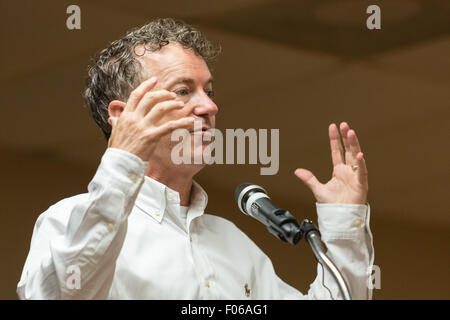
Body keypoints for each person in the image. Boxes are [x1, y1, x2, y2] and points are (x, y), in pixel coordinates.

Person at [17, 18, 374, 299]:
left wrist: (344, 226)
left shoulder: (232, 243)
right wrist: (123, 158)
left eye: (209, 91)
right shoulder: (67, 221)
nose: (209, 106)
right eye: (184, 91)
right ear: (122, 115)